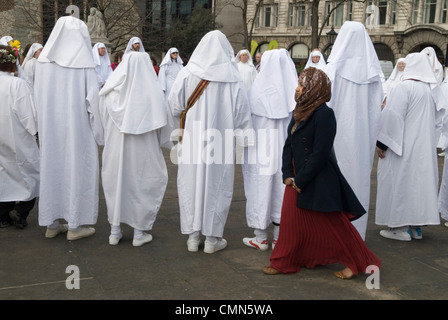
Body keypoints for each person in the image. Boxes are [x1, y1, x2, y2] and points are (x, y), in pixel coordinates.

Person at [263, 67, 381, 279]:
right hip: (296, 178)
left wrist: (301, 179)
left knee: (336, 226)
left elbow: (320, 152)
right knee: (291, 223)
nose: (297, 89)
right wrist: (287, 174)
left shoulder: (325, 114)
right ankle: (284, 262)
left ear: (314, 88)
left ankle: (358, 262)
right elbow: (288, 145)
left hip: (317, 179)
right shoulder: (299, 110)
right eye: (298, 84)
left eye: (302, 85)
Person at [168, 30, 254, 254]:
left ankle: (193, 236)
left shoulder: (188, 73)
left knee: (191, 182)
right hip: (221, 142)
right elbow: (242, 114)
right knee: (218, 184)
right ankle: (212, 239)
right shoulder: (233, 78)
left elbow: (174, 105)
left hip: (193, 140)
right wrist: (245, 139)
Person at [34, 16, 101, 241]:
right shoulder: (84, 64)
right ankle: (74, 225)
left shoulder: (43, 62)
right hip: (77, 130)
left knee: (52, 170)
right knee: (76, 171)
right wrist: (100, 133)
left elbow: (37, 97)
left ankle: (52, 223)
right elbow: (93, 102)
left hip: (50, 128)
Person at [95, 51, 168, 247]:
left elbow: (100, 122)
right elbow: (163, 125)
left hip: (115, 149)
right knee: (141, 185)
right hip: (143, 150)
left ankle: (114, 231)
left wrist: (105, 138)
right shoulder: (153, 95)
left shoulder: (108, 93)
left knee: (116, 185)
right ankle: (138, 232)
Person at [321, 21, 383, 241]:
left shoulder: (332, 69)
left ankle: (332, 237)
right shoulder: (373, 74)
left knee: (334, 182)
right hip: (363, 136)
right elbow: (377, 110)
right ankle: (356, 235)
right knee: (359, 181)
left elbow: (325, 104)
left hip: (336, 134)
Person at [375, 52, 441, 241]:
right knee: (417, 185)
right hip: (421, 148)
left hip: (403, 146)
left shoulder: (404, 87)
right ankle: (415, 226)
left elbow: (393, 117)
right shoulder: (427, 90)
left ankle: (398, 227)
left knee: (400, 183)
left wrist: (382, 143)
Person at [242, 49, 298, 251]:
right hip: (285, 152)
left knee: (259, 185)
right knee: (281, 189)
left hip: (260, 152)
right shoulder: (293, 95)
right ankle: (279, 237)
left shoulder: (256, 92)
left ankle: (260, 237)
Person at [0, 45, 39, 229]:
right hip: (17, 137)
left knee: (3, 174)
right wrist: (35, 130)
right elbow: (27, 116)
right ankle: (21, 210)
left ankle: (3, 216)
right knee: (30, 172)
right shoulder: (17, 84)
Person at [158, 47, 184, 149]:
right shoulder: (165, 65)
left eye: (177, 53)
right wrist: (162, 88)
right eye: (173, 53)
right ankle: (168, 130)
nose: (175, 54)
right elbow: (162, 77)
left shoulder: (180, 65)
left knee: (177, 107)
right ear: (170, 54)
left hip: (178, 87)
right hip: (169, 87)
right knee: (168, 108)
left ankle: (178, 129)